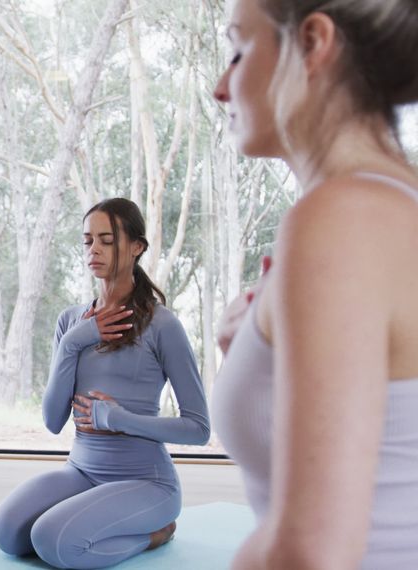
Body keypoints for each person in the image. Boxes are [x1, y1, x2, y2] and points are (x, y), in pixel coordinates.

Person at [211, 0, 418, 567]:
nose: (220, 86)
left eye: (238, 50)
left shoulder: (341, 219)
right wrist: (259, 349)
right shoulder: (393, 207)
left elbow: (311, 555)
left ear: (313, 42)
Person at [0, 198, 210, 569]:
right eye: (88, 240)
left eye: (106, 240)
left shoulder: (162, 326)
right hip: (81, 471)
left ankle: (154, 534)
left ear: (137, 247)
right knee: (8, 533)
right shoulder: (71, 322)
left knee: (50, 540)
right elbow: (51, 420)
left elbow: (199, 429)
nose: (94, 250)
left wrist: (118, 418)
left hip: (146, 482)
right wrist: (76, 340)